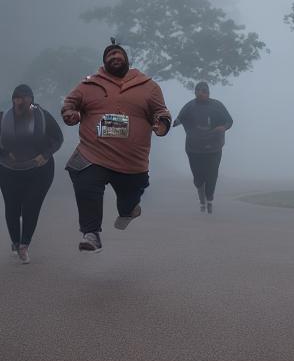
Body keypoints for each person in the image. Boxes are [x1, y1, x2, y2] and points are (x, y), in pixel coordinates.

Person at [61, 39, 171, 253]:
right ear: (104, 63)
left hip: (132, 161)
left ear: (127, 59)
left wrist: (162, 125)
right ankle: (91, 234)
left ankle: (129, 209)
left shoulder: (148, 86)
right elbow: (69, 104)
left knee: (128, 201)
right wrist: (70, 114)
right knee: (86, 185)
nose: (114, 57)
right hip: (94, 153)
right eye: (109, 55)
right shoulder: (88, 84)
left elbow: (161, 112)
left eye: (118, 54)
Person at [0, 84, 63, 264]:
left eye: (26, 97)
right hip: (8, 170)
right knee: (12, 208)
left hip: (39, 170)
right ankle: (15, 241)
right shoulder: (3, 117)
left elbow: (58, 138)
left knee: (31, 206)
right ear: (13, 100)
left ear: (32, 101)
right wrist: (4, 154)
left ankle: (24, 245)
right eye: (18, 97)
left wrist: (46, 154)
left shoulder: (42, 116)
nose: (22, 101)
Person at [172, 81, 233, 214]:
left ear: (208, 93)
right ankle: (201, 198)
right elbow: (179, 118)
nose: (200, 93)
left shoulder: (217, 106)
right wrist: (175, 122)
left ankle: (209, 198)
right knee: (198, 177)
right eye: (198, 91)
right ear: (195, 93)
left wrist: (223, 127)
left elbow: (229, 121)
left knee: (211, 174)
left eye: (203, 91)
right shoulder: (190, 106)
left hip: (214, 147)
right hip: (194, 148)